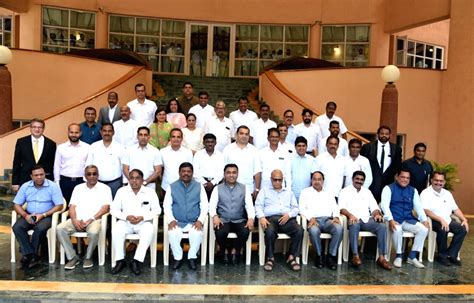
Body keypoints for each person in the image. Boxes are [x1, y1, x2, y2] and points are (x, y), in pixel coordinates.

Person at [56, 165, 111, 270]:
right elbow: (72, 207)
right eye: (89, 174)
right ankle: (72, 257)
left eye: (94, 174)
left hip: (95, 220)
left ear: (98, 175)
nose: (92, 176)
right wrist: (74, 220)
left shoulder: (105, 188)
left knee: (94, 232)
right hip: (78, 219)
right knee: (60, 228)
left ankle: (88, 257)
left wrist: (91, 219)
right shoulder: (78, 188)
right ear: (85, 176)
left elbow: (106, 208)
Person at [12, 165, 64, 269]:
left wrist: (43, 215)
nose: (39, 177)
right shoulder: (25, 186)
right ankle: (31, 255)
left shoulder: (53, 186)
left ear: (44, 174)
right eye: (36, 175)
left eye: (41, 174)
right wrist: (25, 215)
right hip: (29, 214)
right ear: (31, 176)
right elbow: (16, 204)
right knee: (17, 227)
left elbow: (59, 205)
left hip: (47, 216)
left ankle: (29, 255)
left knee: (39, 229)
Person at [111, 169, 161, 275]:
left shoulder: (150, 192)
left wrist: (143, 217)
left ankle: (136, 260)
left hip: (143, 223)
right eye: (132, 178)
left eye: (137, 178)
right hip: (126, 222)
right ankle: (120, 260)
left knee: (149, 229)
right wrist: (126, 217)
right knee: (117, 228)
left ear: (142, 180)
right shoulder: (121, 191)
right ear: (129, 180)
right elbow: (114, 210)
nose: (134, 181)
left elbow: (157, 210)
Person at [339, 171, 392, 270]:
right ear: (353, 179)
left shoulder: (367, 192)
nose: (359, 181)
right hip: (352, 219)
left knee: (382, 226)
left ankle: (381, 257)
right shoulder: (344, 191)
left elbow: (374, 207)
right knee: (354, 224)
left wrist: (376, 214)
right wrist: (350, 215)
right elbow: (341, 208)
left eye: (361, 180)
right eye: (357, 179)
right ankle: (355, 255)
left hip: (366, 220)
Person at [380, 168, 429, 268]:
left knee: (424, 229)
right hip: (394, 219)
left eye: (407, 178)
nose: (405, 180)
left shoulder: (413, 190)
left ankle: (412, 256)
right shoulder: (388, 188)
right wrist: (390, 220)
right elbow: (384, 206)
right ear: (397, 177)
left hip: (408, 219)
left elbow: (418, 207)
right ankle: (399, 256)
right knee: (397, 229)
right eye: (402, 177)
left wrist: (424, 220)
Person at [164, 162, 208, 270]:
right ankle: (178, 257)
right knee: (172, 233)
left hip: (194, 221)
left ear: (192, 173)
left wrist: (200, 221)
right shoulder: (172, 186)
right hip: (178, 221)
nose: (186, 173)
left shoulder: (199, 186)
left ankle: (192, 257)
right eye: (183, 171)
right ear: (179, 173)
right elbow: (166, 206)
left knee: (197, 234)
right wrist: (171, 220)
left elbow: (205, 205)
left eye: (189, 171)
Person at [255, 169, 302, 272]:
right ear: (271, 179)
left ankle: (291, 257)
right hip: (270, 219)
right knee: (270, 231)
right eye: (275, 180)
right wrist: (262, 217)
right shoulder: (264, 191)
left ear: (282, 180)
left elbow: (296, 208)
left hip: (287, 219)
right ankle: (270, 258)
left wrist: (289, 215)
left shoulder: (289, 192)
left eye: (279, 180)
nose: (277, 182)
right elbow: (258, 206)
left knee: (299, 230)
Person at [209, 164, 254, 265]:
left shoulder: (244, 188)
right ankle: (223, 251)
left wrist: (251, 218)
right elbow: (211, 205)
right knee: (220, 232)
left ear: (237, 174)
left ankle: (235, 250)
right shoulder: (217, 189)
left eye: (234, 172)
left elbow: (249, 206)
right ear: (224, 174)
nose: (231, 175)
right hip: (223, 219)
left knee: (245, 231)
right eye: (228, 173)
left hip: (239, 219)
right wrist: (215, 216)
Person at [421, 172, 469, 266]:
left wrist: (464, 219)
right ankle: (441, 256)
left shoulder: (447, 193)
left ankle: (451, 254)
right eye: (436, 180)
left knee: (462, 229)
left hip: (447, 220)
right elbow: (425, 210)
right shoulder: (425, 193)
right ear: (431, 180)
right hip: (433, 220)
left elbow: (455, 209)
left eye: (441, 181)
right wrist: (440, 219)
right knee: (443, 228)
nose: (438, 182)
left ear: (444, 182)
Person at [299, 171, 343, 270]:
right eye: (314, 179)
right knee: (314, 231)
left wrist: (336, 217)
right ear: (311, 180)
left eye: (319, 179)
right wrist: (311, 218)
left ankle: (331, 256)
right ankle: (319, 256)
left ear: (323, 181)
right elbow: (301, 208)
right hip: (314, 220)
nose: (317, 181)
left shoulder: (328, 192)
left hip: (328, 220)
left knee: (339, 228)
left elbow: (335, 207)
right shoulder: (305, 192)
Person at [12, 118, 56, 191]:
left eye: (39, 127)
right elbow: (16, 163)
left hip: (44, 181)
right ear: (30, 128)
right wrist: (15, 182)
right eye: (34, 127)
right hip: (25, 180)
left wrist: (52, 181)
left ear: (43, 129)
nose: (37, 129)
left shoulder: (51, 144)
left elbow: (52, 164)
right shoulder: (21, 142)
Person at [361, 125, 402, 202]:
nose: (384, 135)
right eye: (382, 133)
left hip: (388, 183)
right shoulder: (368, 147)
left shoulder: (396, 149)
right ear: (378, 134)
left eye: (386, 134)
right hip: (372, 183)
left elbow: (398, 166)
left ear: (390, 135)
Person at [53, 123, 90, 203]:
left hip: (81, 181)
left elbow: (88, 165)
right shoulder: (61, 147)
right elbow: (56, 166)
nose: (74, 135)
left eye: (76, 132)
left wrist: (86, 181)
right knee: (64, 206)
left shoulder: (87, 147)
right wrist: (57, 182)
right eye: (71, 132)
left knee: (80, 205)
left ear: (80, 133)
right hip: (64, 181)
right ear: (68, 133)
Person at [86, 123, 124, 198]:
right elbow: (88, 164)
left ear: (113, 132)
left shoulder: (120, 147)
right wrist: (86, 180)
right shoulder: (94, 146)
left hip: (115, 183)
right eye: (105, 131)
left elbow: (124, 166)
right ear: (101, 132)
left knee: (113, 206)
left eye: (109, 131)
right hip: (97, 183)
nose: (107, 133)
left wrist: (124, 183)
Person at [223, 126, 262, 200]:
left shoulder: (254, 151)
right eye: (241, 133)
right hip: (230, 189)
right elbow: (223, 170)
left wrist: (257, 189)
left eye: (246, 134)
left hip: (248, 189)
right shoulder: (227, 149)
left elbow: (257, 172)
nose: (244, 136)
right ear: (236, 135)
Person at [193, 133, 224, 199]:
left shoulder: (220, 155)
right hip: (201, 184)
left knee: (215, 206)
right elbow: (195, 171)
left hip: (216, 184)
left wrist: (212, 183)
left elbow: (221, 172)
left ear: (215, 143)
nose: (210, 144)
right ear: (203, 143)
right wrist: (205, 183)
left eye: (212, 142)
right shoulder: (198, 154)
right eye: (207, 142)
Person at [291, 136, 314, 201]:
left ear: (306, 147)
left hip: (307, 195)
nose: (301, 148)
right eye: (299, 146)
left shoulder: (312, 160)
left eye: (303, 146)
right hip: (292, 193)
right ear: (295, 147)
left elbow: (313, 177)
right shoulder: (289, 159)